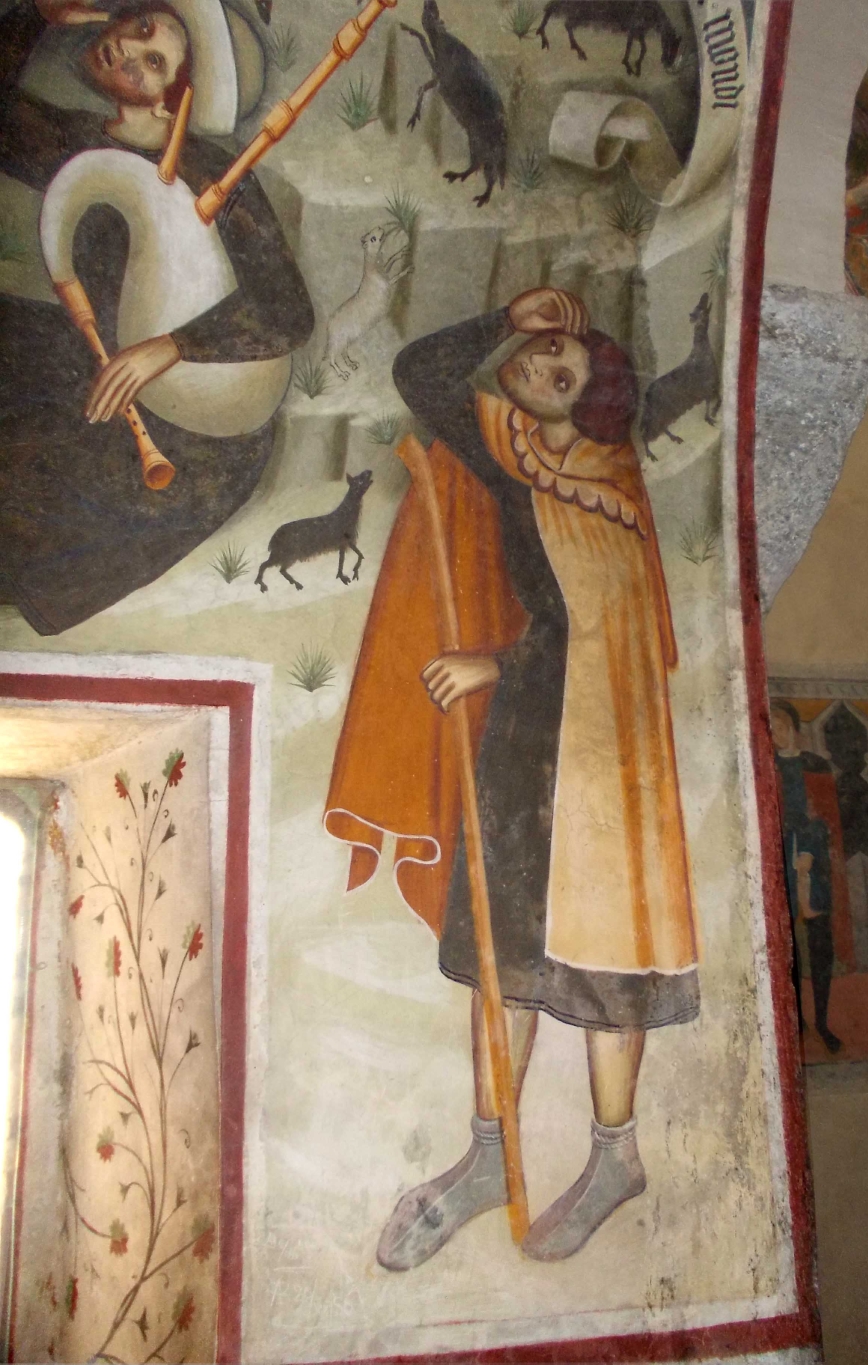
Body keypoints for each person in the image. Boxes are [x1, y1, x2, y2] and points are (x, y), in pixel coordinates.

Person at [324, 286, 699, 1267]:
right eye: (540, 353)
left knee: (605, 963)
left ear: (595, 395)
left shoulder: (610, 493)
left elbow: (598, 635)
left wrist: (493, 664)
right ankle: (491, 1154)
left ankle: (614, 1156)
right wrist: (508, 314)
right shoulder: (512, 452)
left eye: (565, 364)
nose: (543, 365)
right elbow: (421, 374)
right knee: (507, 954)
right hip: (525, 746)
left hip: (605, 760)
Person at [0, 0, 314, 633]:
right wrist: (34, 15)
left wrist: (169, 347)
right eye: (142, 30)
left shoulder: (215, 174)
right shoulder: (78, 140)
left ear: (173, 99)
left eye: (154, 63)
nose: (129, 53)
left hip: (195, 427)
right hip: (94, 353)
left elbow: (287, 310)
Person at [770, 700, 847, 1054]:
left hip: (813, 866)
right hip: (781, 864)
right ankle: (795, 1019)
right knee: (786, 947)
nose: (777, 734)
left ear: (794, 728)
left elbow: (826, 817)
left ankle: (823, 1021)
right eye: (772, 728)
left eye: (782, 726)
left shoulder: (815, 765)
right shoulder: (767, 766)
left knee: (820, 946)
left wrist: (810, 852)